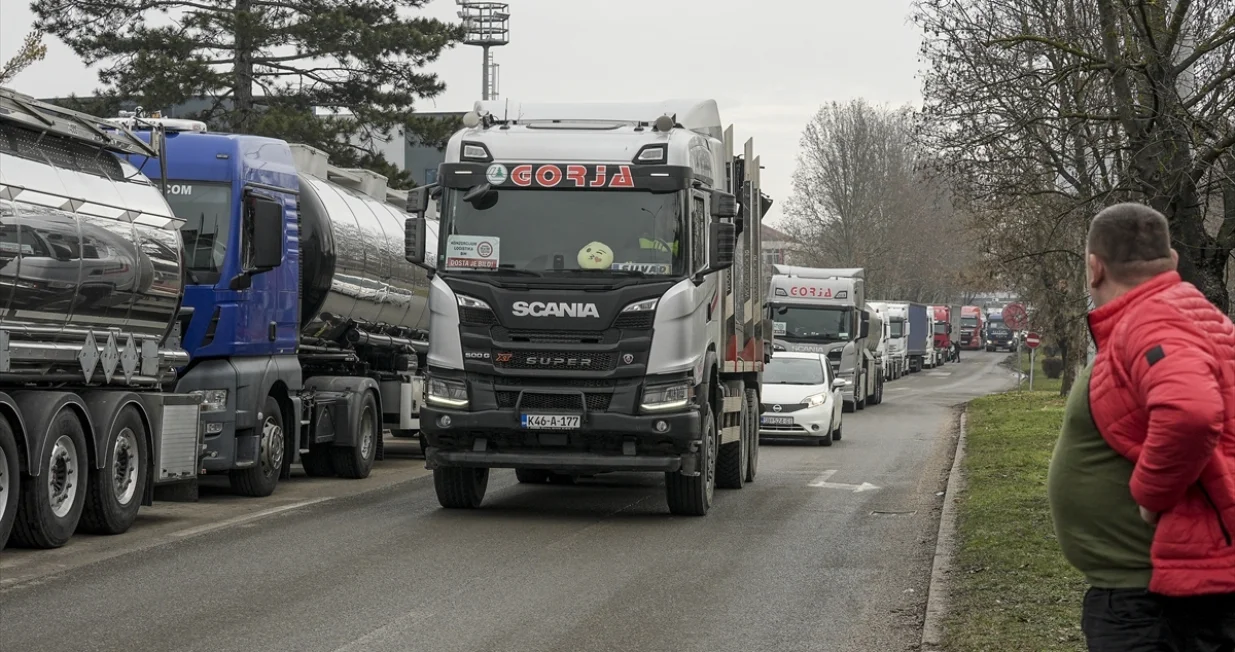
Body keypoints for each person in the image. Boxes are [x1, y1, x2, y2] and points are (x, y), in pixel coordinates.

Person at [1047, 202, 1235, 652]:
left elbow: (1190, 412)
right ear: (1172, 260)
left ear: (1095, 267)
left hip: (1152, 603)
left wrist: (1151, 495)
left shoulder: (1152, 319)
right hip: (1165, 590)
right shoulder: (1185, 316)